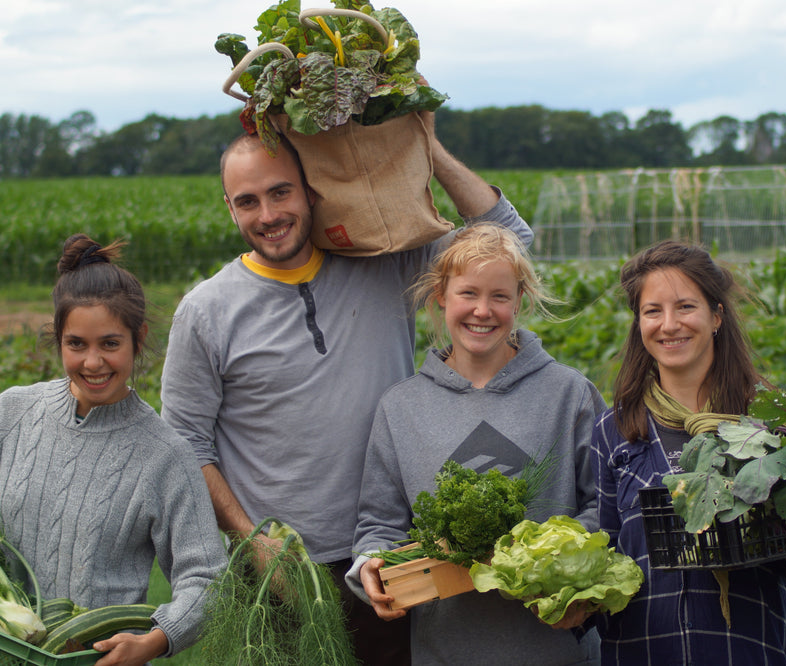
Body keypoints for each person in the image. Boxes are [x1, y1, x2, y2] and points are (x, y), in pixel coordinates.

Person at [159, 115, 533, 664]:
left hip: (391, 554)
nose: (268, 215)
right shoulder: (207, 310)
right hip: (276, 574)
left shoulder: (386, 265)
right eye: (247, 201)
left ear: (312, 190)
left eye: (280, 192)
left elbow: (511, 240)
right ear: (228, 207)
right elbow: (184, 441)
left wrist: (426, 144)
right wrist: (251, 537)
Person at [590, 240, 786, 665]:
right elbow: (605, 554)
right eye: (652, 311)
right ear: (638, 323)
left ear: (716, 316)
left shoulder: (770, 422)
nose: (668, 324)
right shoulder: (614, 431)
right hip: (641, 650)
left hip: (745, 649)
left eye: (685, 307)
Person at [347, 223, 605, 665]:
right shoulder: (402, 407)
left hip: (556, 649)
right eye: (468, 293)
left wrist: (563, 564)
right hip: (445, 649)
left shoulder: (568, 394)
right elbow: (379, 524)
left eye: (499, 296)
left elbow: (607, 505)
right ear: (441, 296)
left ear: (519, 301)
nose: (482, 311)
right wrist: (371, 564)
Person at [0, 234, 227, 666]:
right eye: (76, 344)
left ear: (138, 338)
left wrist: (158, 638)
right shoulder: (12, 412)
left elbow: (208, 579)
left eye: (109, 343)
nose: (92, 362)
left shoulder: (165, 454)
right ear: (58, 339)